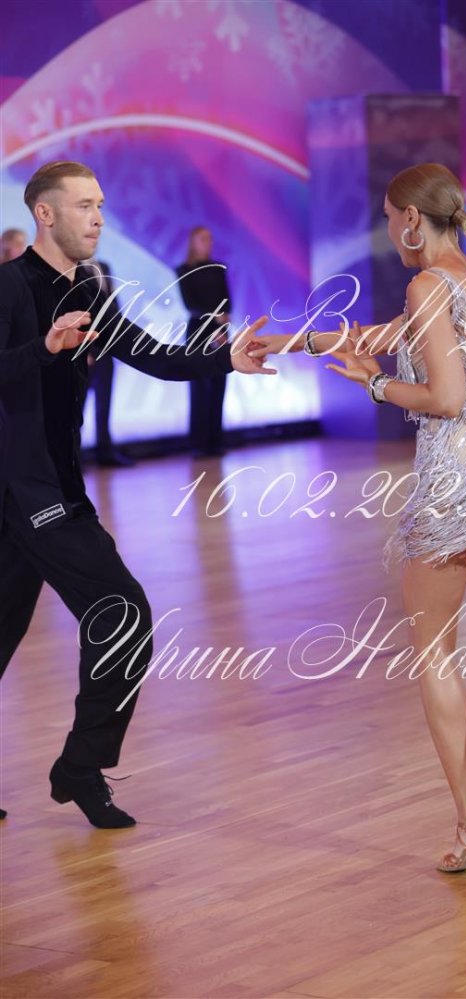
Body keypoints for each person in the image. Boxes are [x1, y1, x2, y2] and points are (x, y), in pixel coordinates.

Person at [251, 163, 466, 886]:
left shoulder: (427, 283)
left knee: (436, 652)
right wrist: (284, 343)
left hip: (462, 479)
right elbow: (375, 334)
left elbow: (446, 399)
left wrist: (372, 384)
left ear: (413, 221)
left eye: (391, 217)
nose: (389, 229)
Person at [0, 161, 275, 827]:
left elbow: (152, 354)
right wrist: (44, 347)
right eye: (84, 205)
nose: (98, 217)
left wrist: (225, 359)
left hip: (50, 488)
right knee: (122, 614)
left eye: (100, 204)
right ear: (45, 214)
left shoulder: (92, 289)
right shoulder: (8, 286)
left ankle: (80, 764)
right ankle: (81, 766)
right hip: (30, 491)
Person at [175, 228, 233, 456]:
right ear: (193, 242)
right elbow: (190, 305)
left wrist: (222, 326)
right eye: (203, 239)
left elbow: (227, 301)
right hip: (198, 331)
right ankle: (198, 443)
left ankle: (216, 440)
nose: (209, 242)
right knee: (199, 387)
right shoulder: (184, 270)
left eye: (210, 238)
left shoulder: (218, 268)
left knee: (219, 385)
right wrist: (213, 319)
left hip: (220, 332)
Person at [82, 256, 135, 467]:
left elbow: (112, 306)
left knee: (104, 401)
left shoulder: (103, 266)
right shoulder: (73, 269)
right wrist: (84, 350)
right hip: (85, 349)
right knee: (78, 405)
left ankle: (104, 451)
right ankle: (73, 455)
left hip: (107, 346)